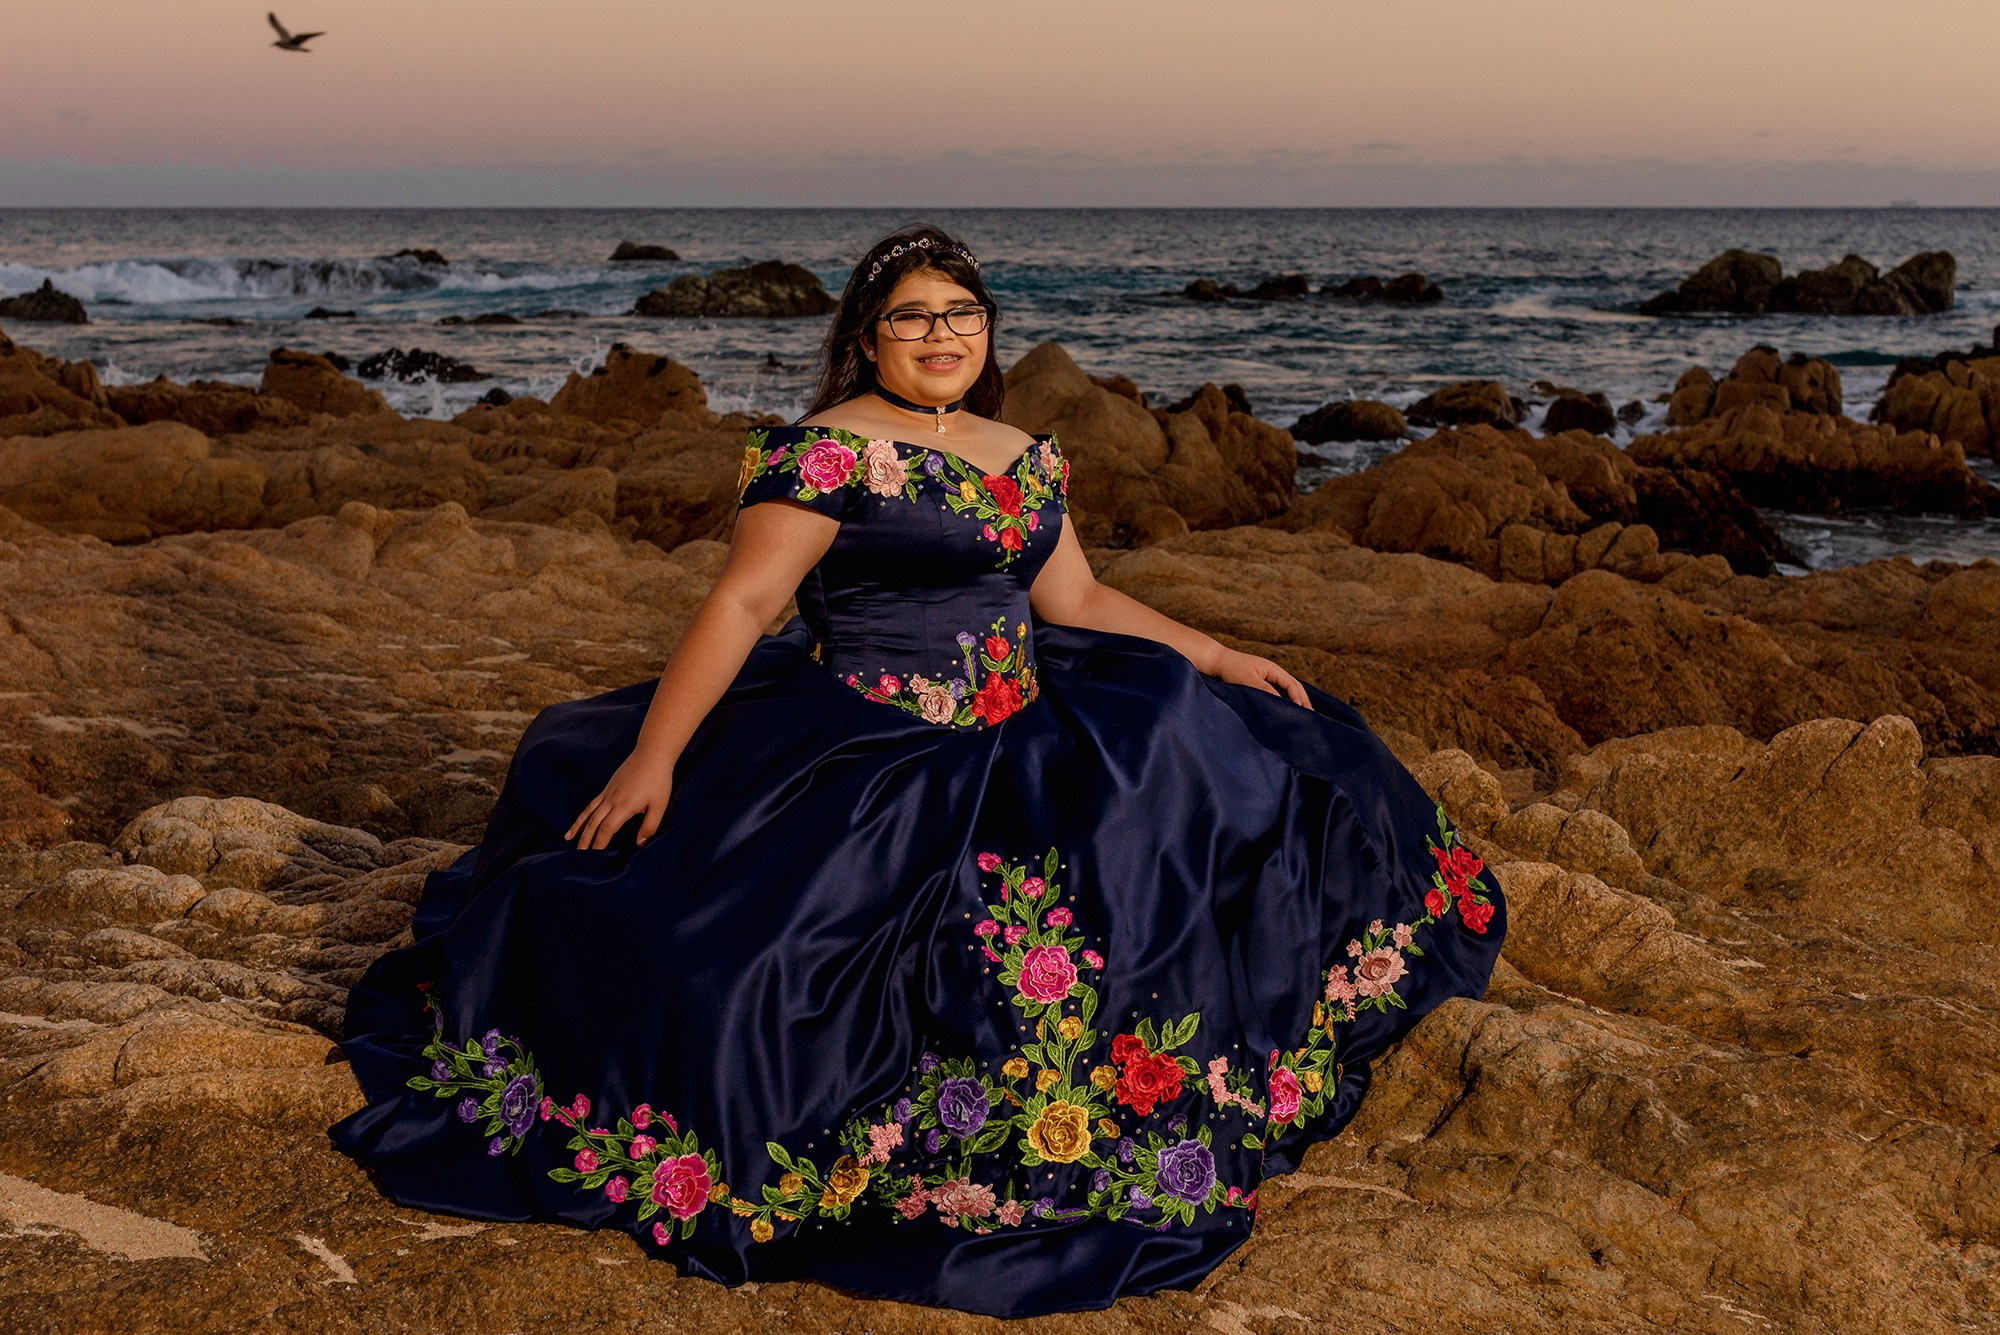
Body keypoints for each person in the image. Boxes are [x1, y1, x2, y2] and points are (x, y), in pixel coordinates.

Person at [328, 222, 1506, 1319]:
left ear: (987, 329)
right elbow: (743, 603)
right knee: (732, 974)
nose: (941, 334)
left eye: (962, 312)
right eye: (912, 316)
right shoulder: (826, 453)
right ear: (867, 334)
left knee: (1254, 774)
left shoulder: (1020, 454)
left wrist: (1211, 651)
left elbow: (1075, 600)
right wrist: (652, 760)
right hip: (863, 736)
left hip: (1027, 718)